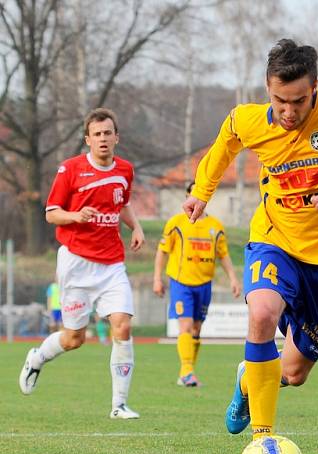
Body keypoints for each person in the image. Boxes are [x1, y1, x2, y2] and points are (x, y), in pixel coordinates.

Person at [183, 39, 318, 439]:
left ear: (314, 88)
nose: (289, 112)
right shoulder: (249, 119)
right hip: (274, 238)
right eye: (280, 100)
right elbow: (224, 144)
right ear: (267, 88)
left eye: (299, 101)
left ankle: (249, 380)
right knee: (261, 314)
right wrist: (201, 193)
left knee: (293, 373)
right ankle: (264, 440)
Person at [19, 107, 146, 420]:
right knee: (74, 339)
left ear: (117, 137)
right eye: (97, 134)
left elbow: (123, 202)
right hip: (76, 263)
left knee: (123, 324)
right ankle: (37, 358)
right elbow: (51, 213)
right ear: (87, 139)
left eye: (107, 133)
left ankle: (119, 405)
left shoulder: (125, 170)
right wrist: (75, 216)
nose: (103, 139)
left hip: (112, 264)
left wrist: (137, 227)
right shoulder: (70, 170)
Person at [153, 183, 242, 387]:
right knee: (184, 326)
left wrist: (233, 279)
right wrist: (157, 278)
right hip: (181, 282)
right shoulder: (176, 223)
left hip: (204, 283)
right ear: (187, 196)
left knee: (196, 329)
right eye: (193, 192)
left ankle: (186, 371)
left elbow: (223, 255)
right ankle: (187, 371)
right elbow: (162, 251)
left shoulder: (216, 226)